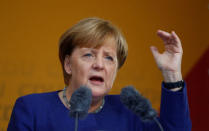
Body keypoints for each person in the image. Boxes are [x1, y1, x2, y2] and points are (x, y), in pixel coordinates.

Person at [7, 17, 191, 131]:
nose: (100, 65)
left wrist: (171, 73)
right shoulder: (32, 109)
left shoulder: (129, 111)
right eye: (89, 54)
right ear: (68, 64)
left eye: (109, 58)